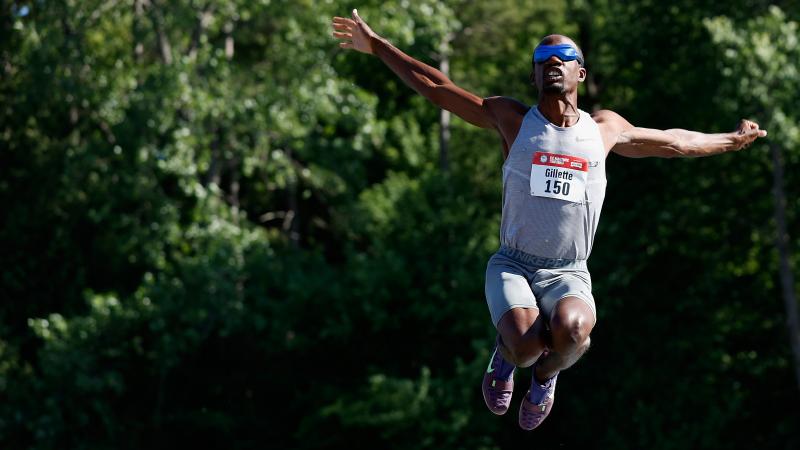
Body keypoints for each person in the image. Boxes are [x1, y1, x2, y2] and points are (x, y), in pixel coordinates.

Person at [331, 9, 767, 430]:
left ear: (581, 72)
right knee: (524, 346)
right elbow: (436, 86)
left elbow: (675, 142)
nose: (553, 61)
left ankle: (544, 379)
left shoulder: (603, 130)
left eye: (565, 57)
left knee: (573, 332)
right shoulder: (513, 120)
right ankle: (506, 356)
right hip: (514, 264)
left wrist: (730, 140)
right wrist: (378, 46)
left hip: (569, 271)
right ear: (534, 75)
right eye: (543, 58)